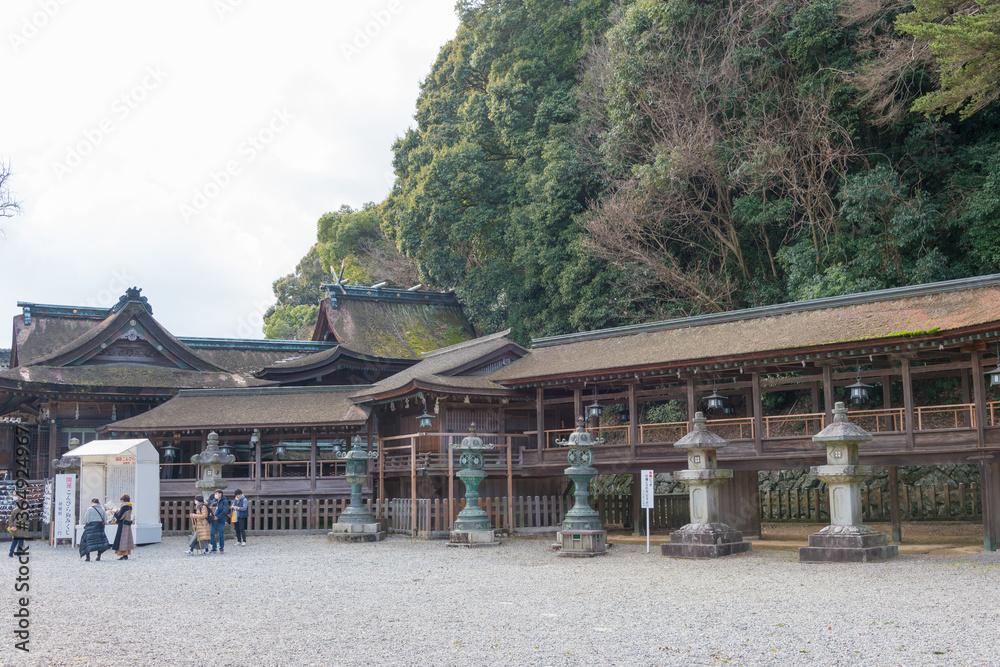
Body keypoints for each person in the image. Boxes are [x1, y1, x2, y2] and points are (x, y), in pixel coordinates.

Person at [111, 494, 135, 560]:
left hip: (123, 525)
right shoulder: (130, 506)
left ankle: (124, 555)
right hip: (127, 524)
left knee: (122, 540)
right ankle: (126, 554)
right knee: (126, 540)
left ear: (123, 500)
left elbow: (119, 517)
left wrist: (115, 512)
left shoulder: (124, 507)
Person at [7, 491, 28, 558]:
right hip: (21, 528)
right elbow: (23, 520)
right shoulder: (26, 511)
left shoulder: (14, 510)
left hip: (14, 529)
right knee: (21, 542)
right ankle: (18, 554)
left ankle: (11, 553)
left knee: (14, 542)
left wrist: (12, 526)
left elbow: (10, 518)